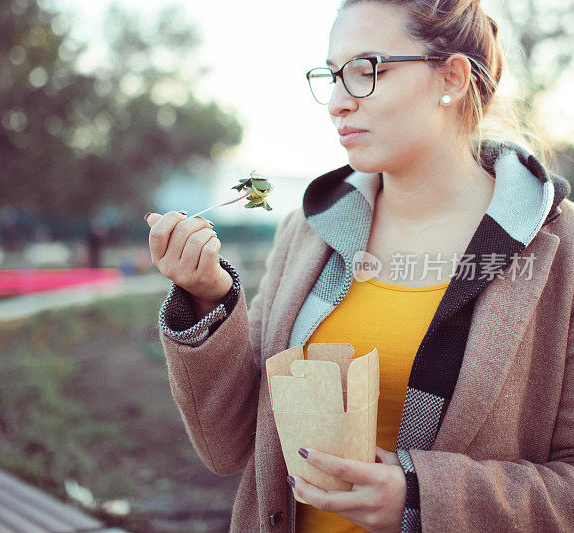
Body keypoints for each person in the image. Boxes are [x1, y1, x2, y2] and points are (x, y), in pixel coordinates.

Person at [144, 0, 574, 531]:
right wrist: (208, 296)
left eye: (367, 71)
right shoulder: (309, 230)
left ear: (453, 77)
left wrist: (421, 499)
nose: (336, 102)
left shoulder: (561, 251)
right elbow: (229, 445)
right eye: (331, 76)